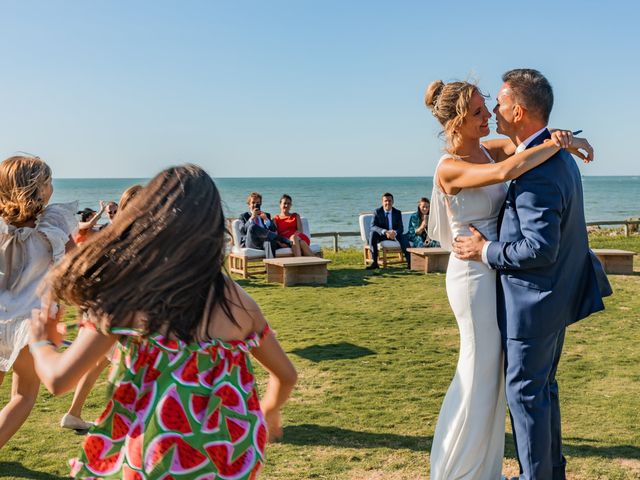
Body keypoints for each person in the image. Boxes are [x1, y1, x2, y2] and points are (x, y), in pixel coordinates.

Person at [29, 165, 297, 479]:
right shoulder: (240, 304)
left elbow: (59, 380)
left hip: (156, 461)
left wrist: (41, 342)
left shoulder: (130, 296)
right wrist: (270, 409)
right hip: (230, 460)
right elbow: (286, 375)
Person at [422, 76, 596, 480]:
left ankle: (485, 466)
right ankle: (457, 467)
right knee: (478, 368)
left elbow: (525, 147)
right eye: (480, 112)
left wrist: (560, 138)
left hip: (499, 270)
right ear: (458, 121)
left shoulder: (489, 147)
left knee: (496, 376)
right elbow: (510, 169)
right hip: (472, 273)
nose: (489, 116)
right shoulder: (450, 167)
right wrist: (560, 142)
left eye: (490, 107)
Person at [0, 155, 76, 449]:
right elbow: (74, 266)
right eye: (49, 181)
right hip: (31, 323)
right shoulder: (55, 222)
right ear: (40, 189)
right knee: (23, 395)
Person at [60, 186, 143, 432]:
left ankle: (73, 413)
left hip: (101, 309)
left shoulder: (111, 232)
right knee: (131, 366)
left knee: (99, 363)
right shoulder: (134, 234)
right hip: (120, 311)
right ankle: (127, 422)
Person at [366, 192, 410, 269]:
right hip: (382, 235)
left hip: (394, 235)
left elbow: (401, 228)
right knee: (373, 234)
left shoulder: (397, 212)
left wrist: (395, 232)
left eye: (389, 201)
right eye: (385, 201)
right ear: (382, 202)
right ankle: (375, 263)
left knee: (403, 237)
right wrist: (385, 231)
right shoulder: (377, 212)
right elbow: (373, 226)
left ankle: (410, 262)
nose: (387, 203)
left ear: (393, 202)